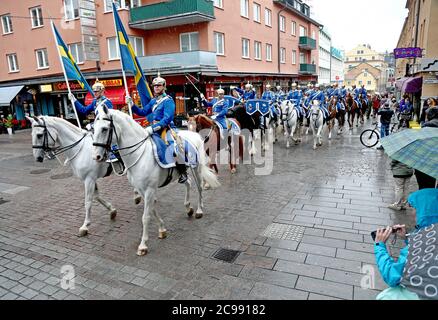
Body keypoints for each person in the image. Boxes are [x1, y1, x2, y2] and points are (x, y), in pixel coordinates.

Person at [374, 188, 438, 300]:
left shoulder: (421, 243)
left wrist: (380, 246)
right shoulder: (431, 234)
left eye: (414, 207)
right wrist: (408, 238)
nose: (411, 212)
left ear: (425, 210)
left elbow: (392, 276)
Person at [127, 75, 187, 183]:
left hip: (166, 128)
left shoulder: (168, 100)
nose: (156, 88)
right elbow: (143, 112)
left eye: (158, 85)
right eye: (154, 86)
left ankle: (182, 172)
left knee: (174, 146)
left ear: (164, 87)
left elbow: (167, 119)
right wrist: (132, 104)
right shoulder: (153, 101)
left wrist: (153, 128)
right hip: (153, 128)